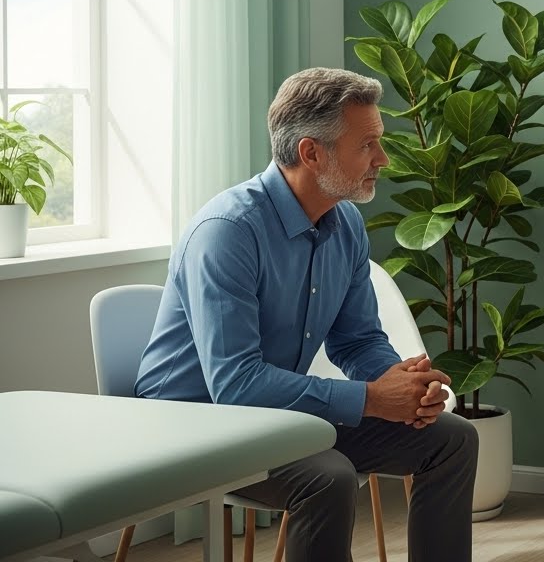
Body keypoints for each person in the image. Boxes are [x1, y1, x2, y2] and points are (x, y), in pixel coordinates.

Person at [136, 67, 478, 562]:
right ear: (311, 153)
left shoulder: (346, 223)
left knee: (452, 440)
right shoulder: (227, 231)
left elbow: (357, 339)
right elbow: (236, 385)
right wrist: (372, 399)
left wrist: (404, 388)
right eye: (367, 145)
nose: (382, 159)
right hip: (193, 423)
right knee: (327, 477)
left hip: (272, 415)